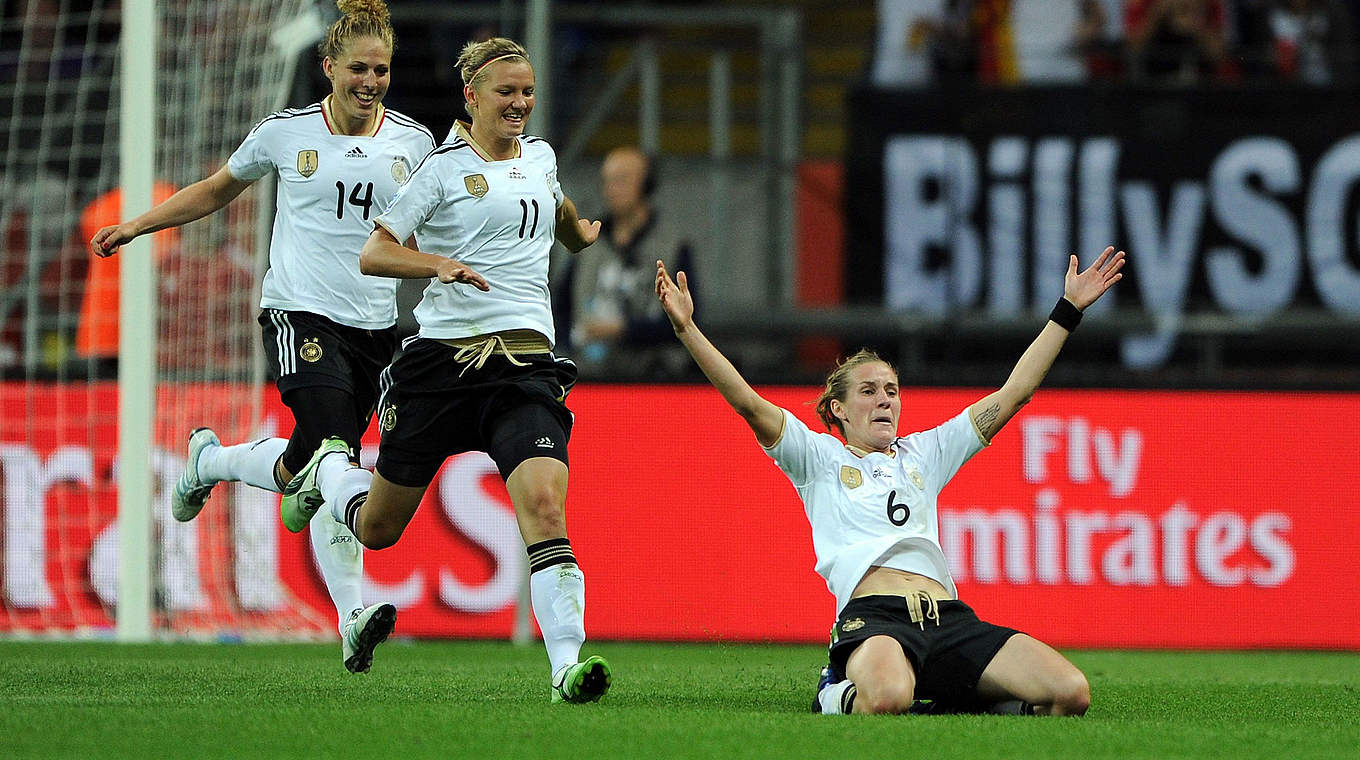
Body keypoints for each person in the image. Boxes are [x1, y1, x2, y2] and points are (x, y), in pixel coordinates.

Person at [88, 0, 434, 673]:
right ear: (328, 66)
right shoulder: (285, 132)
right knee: (338, 455)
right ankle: (354, 617)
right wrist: (138, 225)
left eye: (382, 69)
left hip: (372, 328)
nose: (371, 80)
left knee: (309, 461)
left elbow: (425, 228)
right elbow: (218, 190)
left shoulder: (414, 144)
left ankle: (210, 461)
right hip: (299, 314)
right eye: (359, 67)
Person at [279, 36, 612, 705]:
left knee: (546, 508)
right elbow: (376, 253)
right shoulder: (439, 171)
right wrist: (439, 266)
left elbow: (561, 217)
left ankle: (565, 670)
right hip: (440, 368)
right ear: (472, 95)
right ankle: (330, 473)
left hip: (522, 369)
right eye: (506, 92)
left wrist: (583, 234)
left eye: (527, 92)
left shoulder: (541, 158)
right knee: (377, 529)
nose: (519, 103)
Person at [655, 246, 1125, 716]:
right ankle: (836, 691)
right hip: (876, 618)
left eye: (892, 391)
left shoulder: (927, 452)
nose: (885, 400)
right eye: (868, 391)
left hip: (948, 620)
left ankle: (960, 699)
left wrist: (1068, 310)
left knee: (1071, 693)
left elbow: (1014, 393)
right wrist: (687, 330)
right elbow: (747, 403)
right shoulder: (818, 458)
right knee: (886, 699)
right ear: (838, 409)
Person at [565, 145, 696, 378]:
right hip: (590, 376)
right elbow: (560, 304)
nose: (611, 189)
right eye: (607, 180)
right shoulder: (587, 240)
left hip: (655, 377)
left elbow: (689, 319)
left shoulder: (673, 245)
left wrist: (625, 330)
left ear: (646, 184)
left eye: (622, 180)